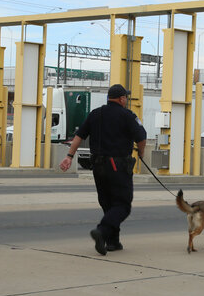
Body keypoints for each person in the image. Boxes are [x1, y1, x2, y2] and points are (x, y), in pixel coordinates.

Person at [60, 84, 147, 255]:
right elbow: (141, 137)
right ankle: (102, 230)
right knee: (122, 205)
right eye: (126, 97)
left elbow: (79, 136)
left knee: (108, 203)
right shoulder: (127, 115)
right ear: (122, 99)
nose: (126, 100)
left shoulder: (95, 114)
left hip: (97, 165)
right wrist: (142, 154)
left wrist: (69, 156)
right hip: (117, 165)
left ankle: (113, 242)